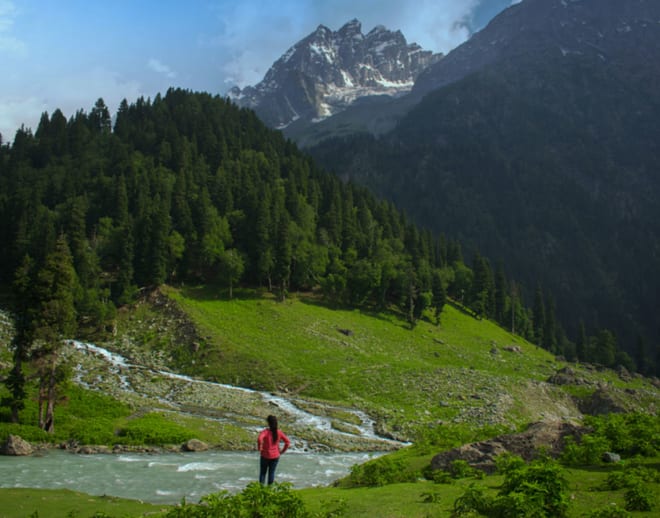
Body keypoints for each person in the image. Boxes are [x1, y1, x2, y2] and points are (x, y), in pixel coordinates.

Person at [257, 415, 290, 485]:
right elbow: (287, 442)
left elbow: (259, 439)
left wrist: (259, 448)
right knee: (271, 473)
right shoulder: (279, 432)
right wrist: (282, 451)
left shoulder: (265, 432)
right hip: (275, 455)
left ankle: (260, 489)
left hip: (265, 455)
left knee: (263, 473)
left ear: (268, 423)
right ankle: (270, 489)